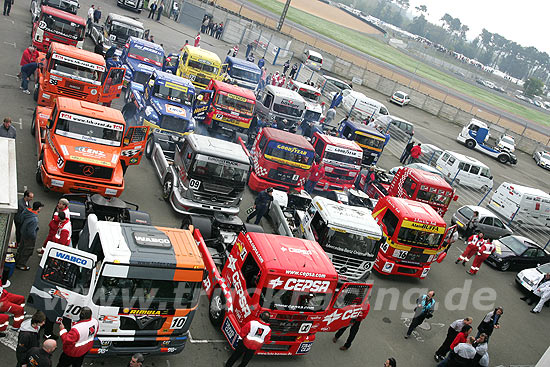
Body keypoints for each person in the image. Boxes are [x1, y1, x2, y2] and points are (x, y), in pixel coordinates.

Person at [16, 201, 44, 270]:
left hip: (23, 233)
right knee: (27, 250)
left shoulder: (26, 211)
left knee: (21, 247)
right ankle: (21, 264)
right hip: (28, 238)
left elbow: (20, 220)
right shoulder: (34, 219)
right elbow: (31, 232)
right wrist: (34, 237)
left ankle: (16, 260)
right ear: (38, 208)